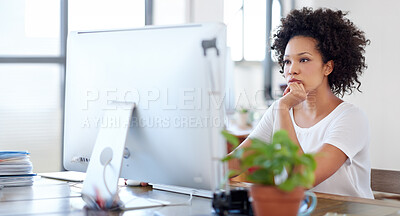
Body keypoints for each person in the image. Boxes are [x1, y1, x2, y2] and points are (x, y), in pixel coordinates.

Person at [234, 7, 373, 198]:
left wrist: (283, 107)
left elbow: (300, 180)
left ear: (328, 67)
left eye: (304, 60)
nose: (292, 70)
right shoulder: (278, 110)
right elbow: (237, 162)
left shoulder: (350, 118)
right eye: (287, 62)